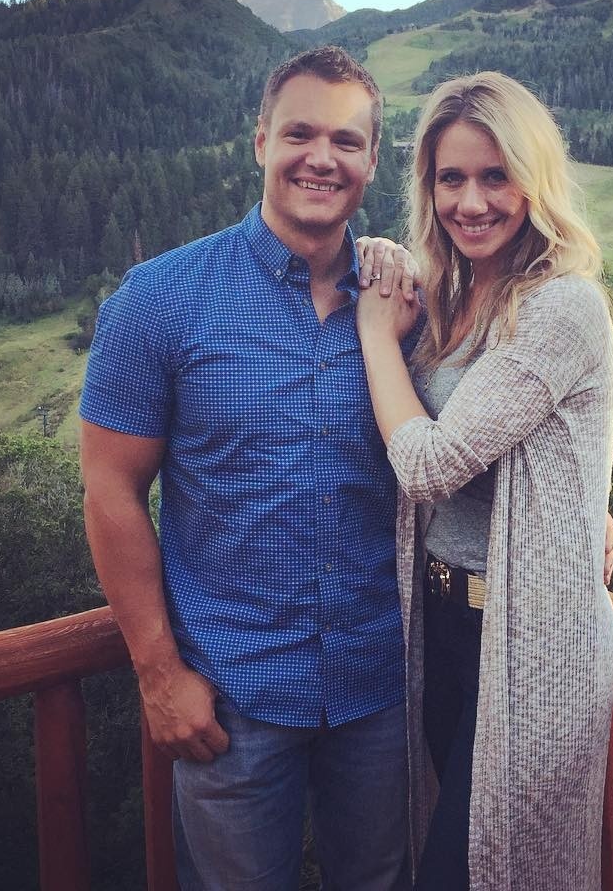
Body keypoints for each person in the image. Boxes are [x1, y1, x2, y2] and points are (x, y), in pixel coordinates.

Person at [79, 45, 419, 891]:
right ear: (261, 141)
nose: (321, 158)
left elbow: (480, 428)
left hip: (380, 689)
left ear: (373, 160)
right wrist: (159, 675)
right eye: (300, 134)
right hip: (231, 698)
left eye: (346, 141)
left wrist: (579, 504)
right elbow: (112, 491)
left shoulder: (404, 303)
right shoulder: (159, 301)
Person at [355, 71, 613, 890]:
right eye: (451, 179)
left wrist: (375, 336)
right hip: (444, 624)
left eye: (495, 176)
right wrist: (387, 265)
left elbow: (430, 462)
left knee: (476, 871)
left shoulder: (560, 307)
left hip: (532, 637)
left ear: (534, 179)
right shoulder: (455, 295)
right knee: (463, 853)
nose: (470, 202)